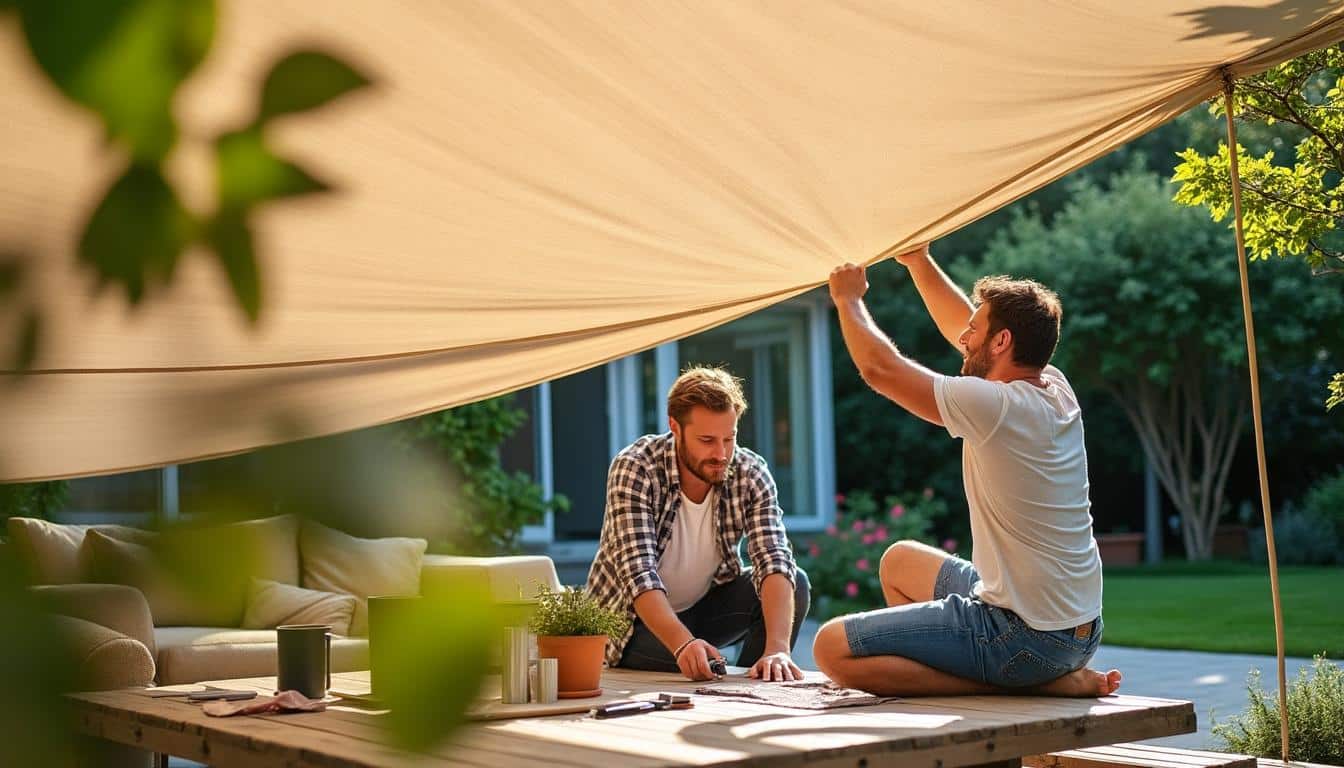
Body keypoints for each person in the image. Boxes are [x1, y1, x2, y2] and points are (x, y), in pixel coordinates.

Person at [813, 243, 1121, 698]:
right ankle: (1038, 675)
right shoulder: (1053, 385)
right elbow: (965, 326)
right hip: (1079, 631)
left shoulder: (995, 405)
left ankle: (1021, 683)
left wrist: (847, 299)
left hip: (1024, 636)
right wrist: (918, 260)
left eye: (975, 330)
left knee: (830, 649)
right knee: (899, 562)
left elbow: (881, 370)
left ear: (1001, 342)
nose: (963, 337)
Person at [586, 366, 811, 682]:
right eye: (706, 440)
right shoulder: (636, 467)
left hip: (700, 609)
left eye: (728, 438)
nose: (721, 454)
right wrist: (683, 644)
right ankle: (711, 671)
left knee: (794, 582)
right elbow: (638, 573)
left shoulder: (750, 472)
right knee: (701, 667)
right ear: (675, 427)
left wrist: (777, 648)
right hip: (628, 624)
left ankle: (756, 683)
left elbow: (773, 558)